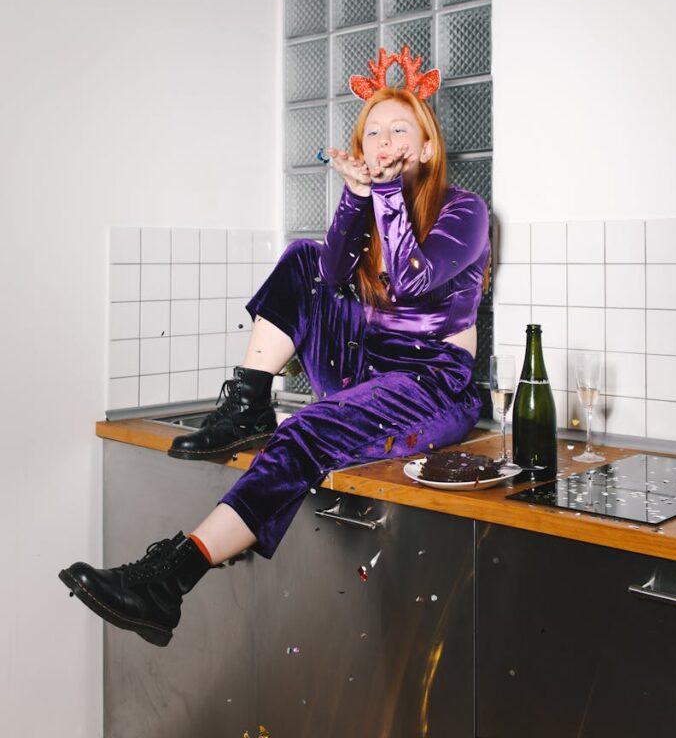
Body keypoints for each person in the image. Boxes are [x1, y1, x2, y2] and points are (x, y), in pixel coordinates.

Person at [59, 46, 490, 647]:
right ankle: (249, 404)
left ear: (425, 147)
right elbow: (333, 274)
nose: (384, 141)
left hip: (432, 385)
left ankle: (170, 581)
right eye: (372, 133)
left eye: (399, 130)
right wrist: (356, 197)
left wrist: (387, 193)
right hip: (367, 368)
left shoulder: (465, 210)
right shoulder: (374, 200)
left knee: (307, 431)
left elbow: (412, 280)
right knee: (306, 257)